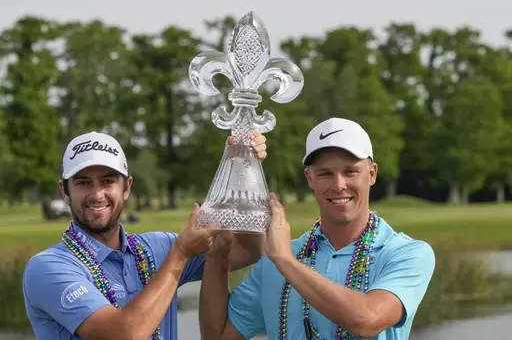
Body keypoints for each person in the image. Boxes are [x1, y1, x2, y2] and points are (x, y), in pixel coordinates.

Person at [199, 118, 436, 340]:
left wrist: (285, 261)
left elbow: (367, 319)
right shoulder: (276, 260)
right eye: (325, 174)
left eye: (350, 171)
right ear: (310, 178)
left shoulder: (407, 253)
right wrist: (218, 257)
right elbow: (218, 336)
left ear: (371, 174)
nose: (339, 185)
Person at [22, 130, 268, 340]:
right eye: (83, 182)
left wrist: (242, 166)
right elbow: (125, 334)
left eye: (108, 181)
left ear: (127, 187)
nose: (97, 194)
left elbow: (248, 249)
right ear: (64, 191)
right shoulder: (48, 268)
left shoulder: (156, 248)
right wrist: (180, 254)